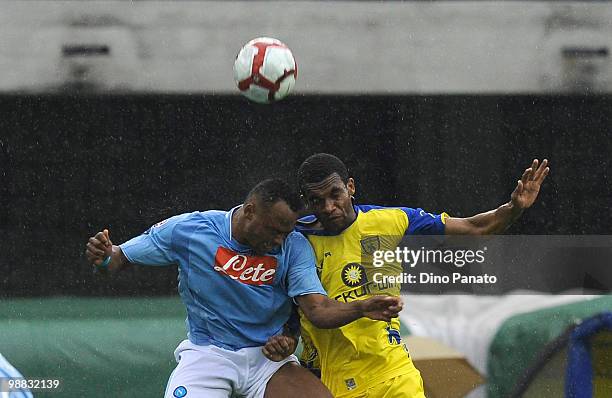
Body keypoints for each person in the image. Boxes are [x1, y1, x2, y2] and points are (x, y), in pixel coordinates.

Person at [85, 178, 403, 398]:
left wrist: (361, 307)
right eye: (275, 230)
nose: (280, 240)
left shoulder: (293, 247)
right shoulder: (190, 230)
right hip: (208, 353)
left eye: (287, 231)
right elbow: (118, 259)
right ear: (250, 211)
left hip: (267, 359)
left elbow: (317, 310)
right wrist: (103, 256)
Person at [263, 153, 550, 398]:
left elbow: (474, 229)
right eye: (317, 200)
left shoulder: (391, 220)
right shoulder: (294, 240)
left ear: (350, 187)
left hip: (394, 372)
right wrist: (287, 335)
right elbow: (284, 299)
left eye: (334, 194)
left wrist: (513, 208)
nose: (328, 207)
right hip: (332, 380)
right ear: (306, 202)